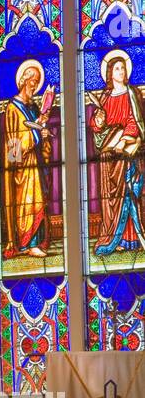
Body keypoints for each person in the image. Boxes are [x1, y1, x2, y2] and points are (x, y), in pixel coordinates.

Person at [89, 50, 145, 256]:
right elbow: (97, 126)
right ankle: (113, 236)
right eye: (116, 68)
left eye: (123, 68)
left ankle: (131, 238)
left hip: (125, 152)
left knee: (127, 194)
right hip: (108, 155)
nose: (120, 71)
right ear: (110, 73)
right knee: (110, 199)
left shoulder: (132, 94)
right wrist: (98, 120)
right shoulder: (104, 97)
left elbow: (135, 120)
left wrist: (124, 139)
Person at [2, 59, 53, 259]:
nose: (35, 85)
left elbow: (38, 134)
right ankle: (26, 244)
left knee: (40, 201)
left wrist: (44, 134)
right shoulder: (12, 109)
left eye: (38, 81)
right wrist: (36, 133)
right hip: (24, 168)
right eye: (34, 81)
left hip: (37, 163)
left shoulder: (32, 108)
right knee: (29, 203)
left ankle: (36, 242)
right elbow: (12, 149)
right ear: (24, 81)